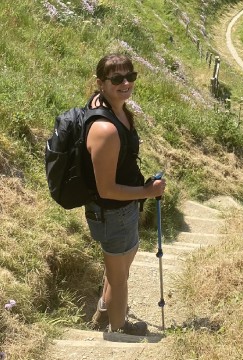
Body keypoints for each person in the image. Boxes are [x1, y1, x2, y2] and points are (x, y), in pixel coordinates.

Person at [83, 53, 166, 335]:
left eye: (130, 76)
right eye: (116, 78)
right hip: (112, 211)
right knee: (119, 278)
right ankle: (119, 330)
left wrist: (140, 194)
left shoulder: (115, 107)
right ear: (101, 83)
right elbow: (106, 188)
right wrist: (147, 190)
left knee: (120, 267)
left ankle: (102, 314)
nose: (125, 83)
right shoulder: (105, 129)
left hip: (123, 208)